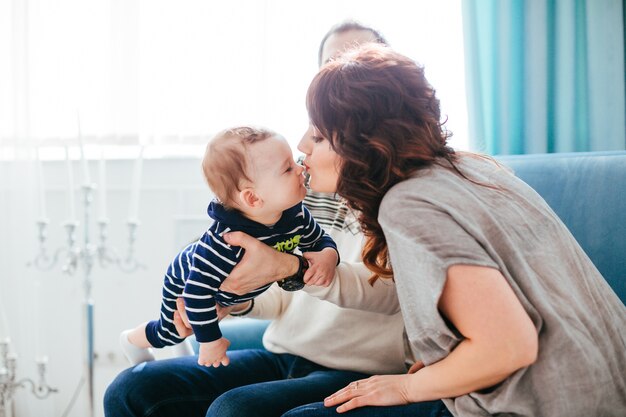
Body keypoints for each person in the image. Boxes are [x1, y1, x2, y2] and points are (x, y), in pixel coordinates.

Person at [227, 44, 626, 416]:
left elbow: (508, 345)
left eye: (317, 135)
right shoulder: (472, 170)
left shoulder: (409, 204)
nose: (302, 146)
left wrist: (405, 389)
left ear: (361, 143)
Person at [104, 21, 411, 417]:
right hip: (286, 352)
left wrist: (293, 266)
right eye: (331, 69)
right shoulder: (301, 183)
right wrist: (231, 301)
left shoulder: (402, 189)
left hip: (360, 368)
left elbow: (395, 295)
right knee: (132, 389)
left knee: (234, 410)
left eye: (357, 67)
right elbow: (280, 294)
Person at [119, 126, 339, 368]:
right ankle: (131, 340)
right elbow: (195, 294)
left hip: (230, 295)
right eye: (288, 168)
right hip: (186, 278)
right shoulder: (225, 242)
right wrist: (210, 341)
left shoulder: (296, 214)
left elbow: (319, 239)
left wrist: (328, 256)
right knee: (171, 330)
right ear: (253, 199)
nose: (300, 168)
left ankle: (181, 344)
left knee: (192, 326)